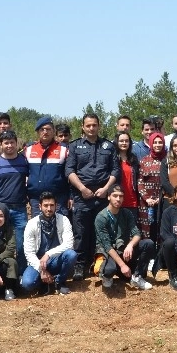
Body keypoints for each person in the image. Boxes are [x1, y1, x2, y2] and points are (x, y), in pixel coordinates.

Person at [65, 113, 119, 280]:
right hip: (82, 196)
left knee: (101, 232)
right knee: (81, 233)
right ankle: (80, 266)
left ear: (99, 126)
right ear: (83, 127)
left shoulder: (108, 146)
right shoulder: (74, 146)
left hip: (102, 195)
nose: (91, 128)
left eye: (94, 125)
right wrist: (82, 188)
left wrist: (105, 189)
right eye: (88, 125)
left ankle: (100, 263)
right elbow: (69, 170)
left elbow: (115, 171)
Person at [0, 130, 30, 277]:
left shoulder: (24, 161)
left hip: (20, 209)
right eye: (6, 143)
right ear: (1, 145)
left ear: (17, 144)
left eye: (12, 142)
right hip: (1, 209)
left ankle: (20, 275)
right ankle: (0, 274)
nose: (9, 145)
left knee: (21, 245)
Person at [94, 185, 155, 290]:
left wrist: (130, 245)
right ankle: (110, 275)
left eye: (121, 196)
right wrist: (122, 265)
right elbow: (107, 246)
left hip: (123, 248)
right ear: (109, 197)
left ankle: (136, 277)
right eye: (115, 196)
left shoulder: (126, 213)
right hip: (108, 252)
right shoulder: (101, 217)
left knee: (148, 243)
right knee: (109, 270)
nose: (118, 199)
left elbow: (137, 233)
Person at [22, 191, 77, 296]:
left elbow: (69, 244)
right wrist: (41, 269)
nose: (49, 208)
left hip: (56, 260)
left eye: (52, 205)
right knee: (27, 283)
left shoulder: (63, 220)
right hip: (38, 262)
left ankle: (59, 281)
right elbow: (29, 252)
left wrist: (48, 254)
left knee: (71, 254)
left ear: (56, 206)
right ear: (40, 206)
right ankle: (44, 282)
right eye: (45, 205)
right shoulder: (32, 224)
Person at [25, 116, 70, 215]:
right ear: (37, 132)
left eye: (48, 129)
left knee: (59, 229)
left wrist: (71, 196)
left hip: (59, 199)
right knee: (38, 229)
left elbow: (71, 174)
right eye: (42, 129)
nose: (45, 132)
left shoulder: (64, 149)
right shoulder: (28, 149)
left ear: (54, 131)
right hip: (36, 200)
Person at [138, 132, 166, 243]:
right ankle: (149, 255)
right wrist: (146, 198)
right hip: (145, 202)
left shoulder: (168, 160)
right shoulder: (144, 161)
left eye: (160, 142)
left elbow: (169, 181)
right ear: (151, 143)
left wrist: (161, 197)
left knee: (161, 227)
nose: (157, 145)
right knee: (148, 229)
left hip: (162, 200)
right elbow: (139, 181)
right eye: (155, 142)